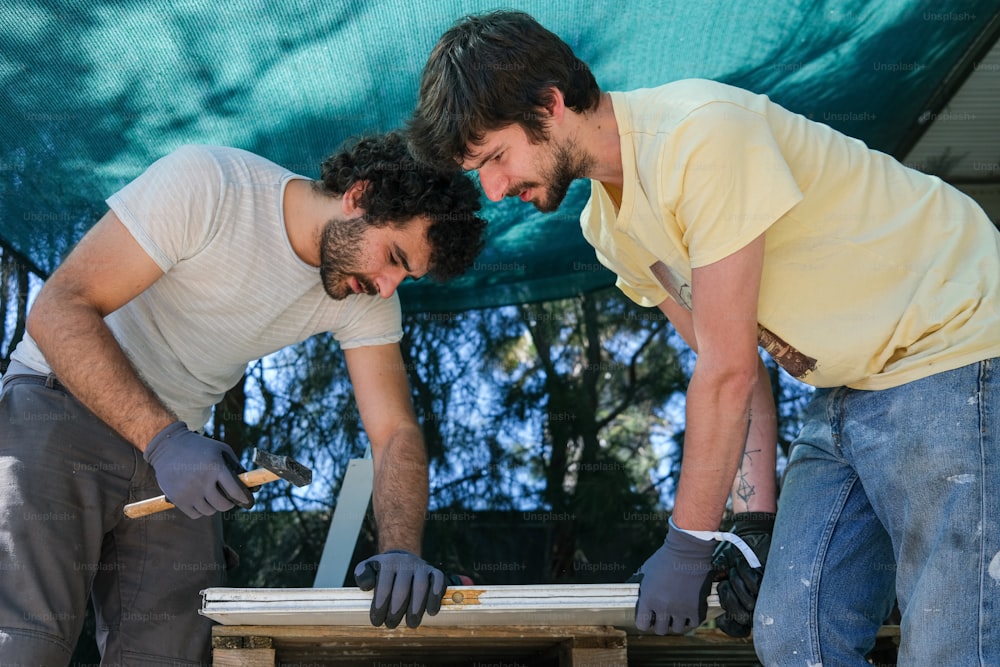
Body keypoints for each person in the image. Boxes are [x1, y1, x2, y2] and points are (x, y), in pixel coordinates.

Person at [407, 10, 1000, 666]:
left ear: (551, 103)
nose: (493, 187)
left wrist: (686, 542)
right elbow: (736, 359)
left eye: (496, 157)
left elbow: (726, 373)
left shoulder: (700, 135)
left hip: (954, 344)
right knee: (793, 631)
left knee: (952, 638)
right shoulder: (609, 229)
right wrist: (751, 526)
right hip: (846, 389)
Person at [0, 131, 487, 665]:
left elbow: (395, 431)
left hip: (176, 458)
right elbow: (58, 309)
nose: (389, 285)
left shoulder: (363, 294)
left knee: (175, 653)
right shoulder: (212, 184)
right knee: (23, 644)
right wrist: (165, 442)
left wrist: (400, 550)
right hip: (62, 403)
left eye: (405, 275)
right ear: (360, 195)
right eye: (394, 256)